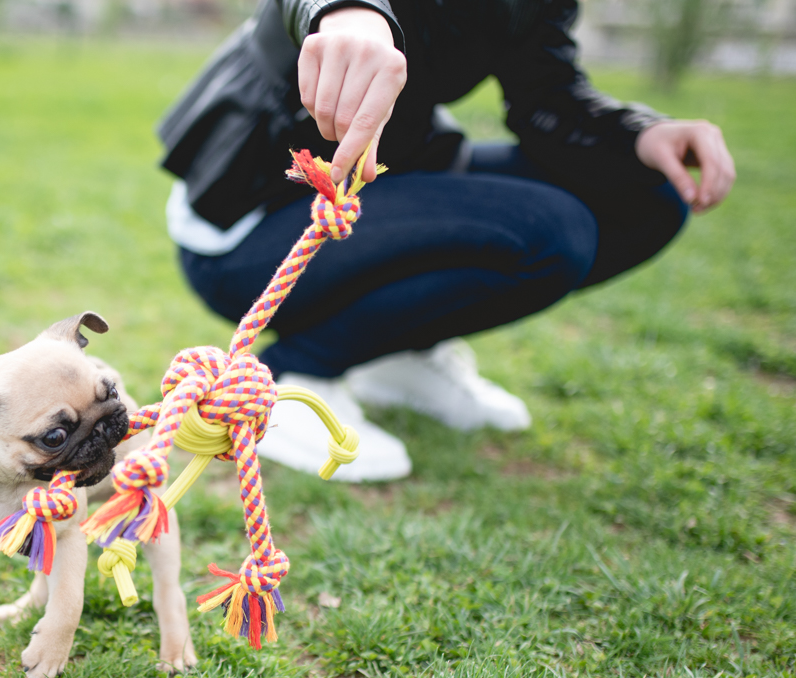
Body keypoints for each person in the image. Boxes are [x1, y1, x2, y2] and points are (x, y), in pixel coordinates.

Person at [157, 0, 735, 481]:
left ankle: (394, 355)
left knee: (647, 196)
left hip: (383, 177)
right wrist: (349, 12)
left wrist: (641, 133)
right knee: (551, 230)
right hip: (246, 220)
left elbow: (548, 98)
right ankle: (294, 376)